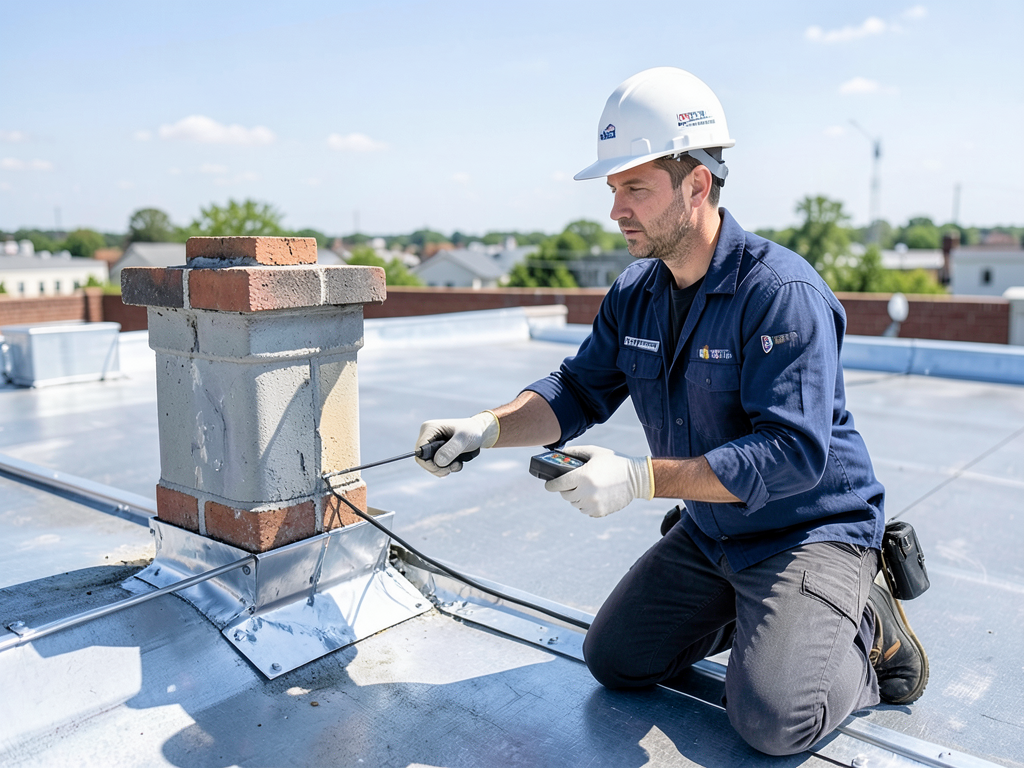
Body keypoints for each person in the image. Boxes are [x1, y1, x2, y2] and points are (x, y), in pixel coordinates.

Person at [413, 67, 927, 756]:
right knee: (616, 661)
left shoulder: (781, 294)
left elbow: (793, 455)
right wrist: (486, 426)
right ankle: (772, 617)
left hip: (808, 532)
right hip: (715, 529)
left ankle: (865, 622)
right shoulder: (638, 292)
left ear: (698, 185)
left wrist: (637, 480)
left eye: (636, 187)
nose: (617, 209)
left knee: (774, 722)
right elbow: (579, 390)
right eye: (615, 189)